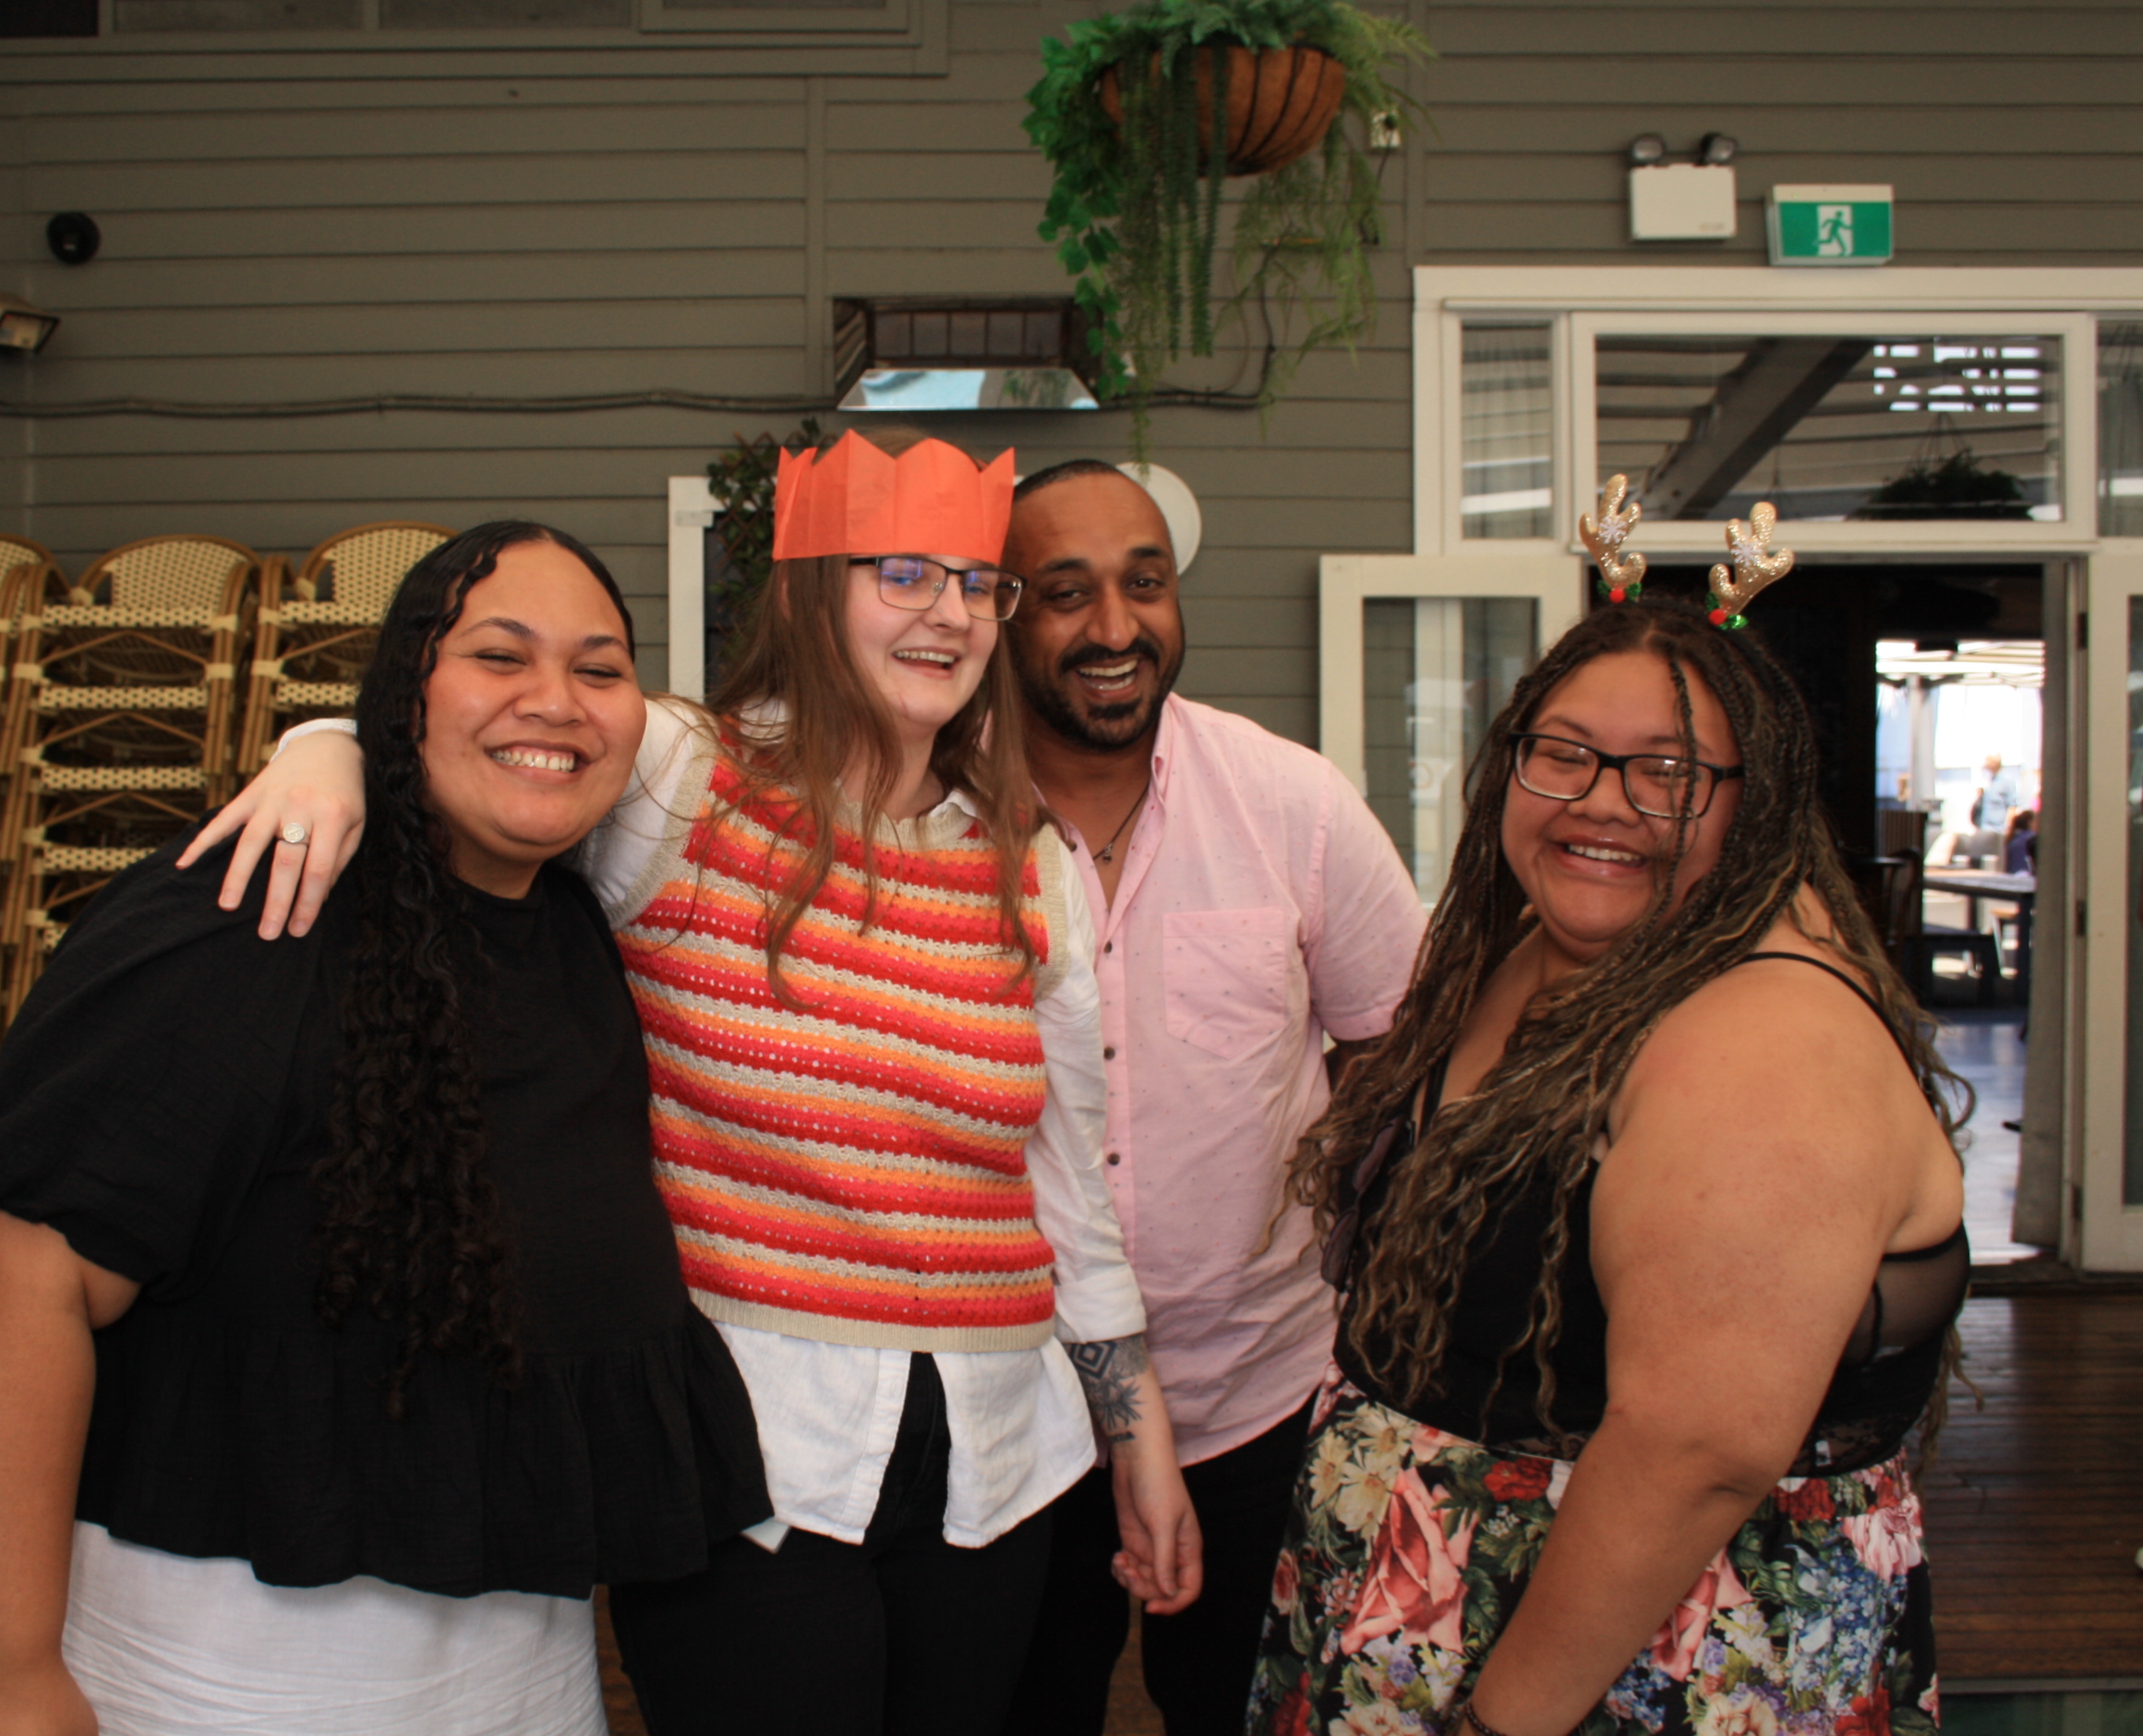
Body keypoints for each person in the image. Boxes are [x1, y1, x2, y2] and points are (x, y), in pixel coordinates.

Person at [188, 430, 1198, 1736]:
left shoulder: (1032, 864)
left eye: (974, 582)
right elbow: (503, 740)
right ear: (808, 591)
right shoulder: (687, 783)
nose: (947, 612)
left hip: (1000, 1461)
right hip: (753, 1460)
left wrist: (1142, 1439)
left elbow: (1069, 1187)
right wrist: (326, 747)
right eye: (901, 573)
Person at [0, 523, 769, 1736]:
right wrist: (3, 1673)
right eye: (499, 655)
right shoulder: (250, 911)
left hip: (500, 1654)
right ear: (403, 688)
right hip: (217, 1665)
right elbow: (15, 1271)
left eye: (599, 668)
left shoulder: (573, 931)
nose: (558, 701)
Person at [1252, 596, 1968, 1736]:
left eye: (1668, 772)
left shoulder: (1763, 1033)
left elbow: (1696, 1448)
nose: (1600, 802)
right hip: (1409, 1609)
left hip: (1620, 1668)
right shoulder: (1533, 949)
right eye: (1565, 754)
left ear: (1756, 800)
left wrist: (1504, 1718)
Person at [988, 462, 1425, 1736]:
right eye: (1065, 593)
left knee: (1250, 1714)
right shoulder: (935, 821)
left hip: (1259, 1400)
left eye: (1145, 584)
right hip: (1018, 1413)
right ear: (1003, 611)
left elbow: (1403, 1051)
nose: (1115, 629)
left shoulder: (1290, 802)